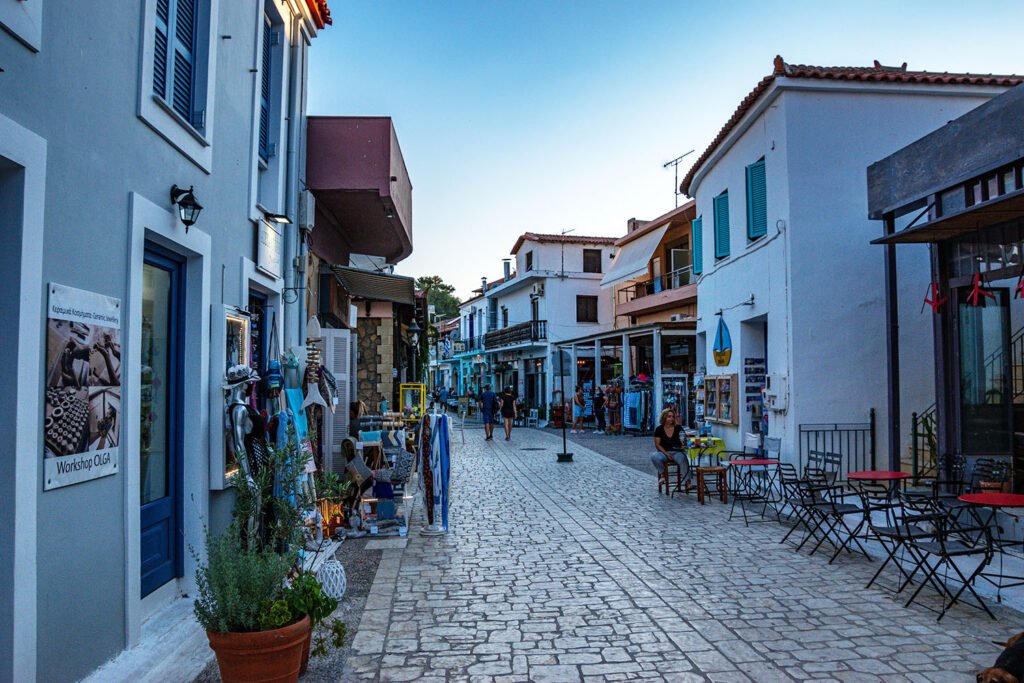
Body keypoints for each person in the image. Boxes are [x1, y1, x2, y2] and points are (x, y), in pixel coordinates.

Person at [650, 408, 688, 490]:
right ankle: (663, 475)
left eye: (672, 416)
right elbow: (657, 445)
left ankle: (687, 482)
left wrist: (684, 440)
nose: (671, 418)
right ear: (664, 418)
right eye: (669, 416)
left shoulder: (678, 428)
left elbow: (684, 442)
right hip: (664, 452)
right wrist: (666, 454)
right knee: (654, 456)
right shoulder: (659, 429)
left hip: (677, 452)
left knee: (683, 459)